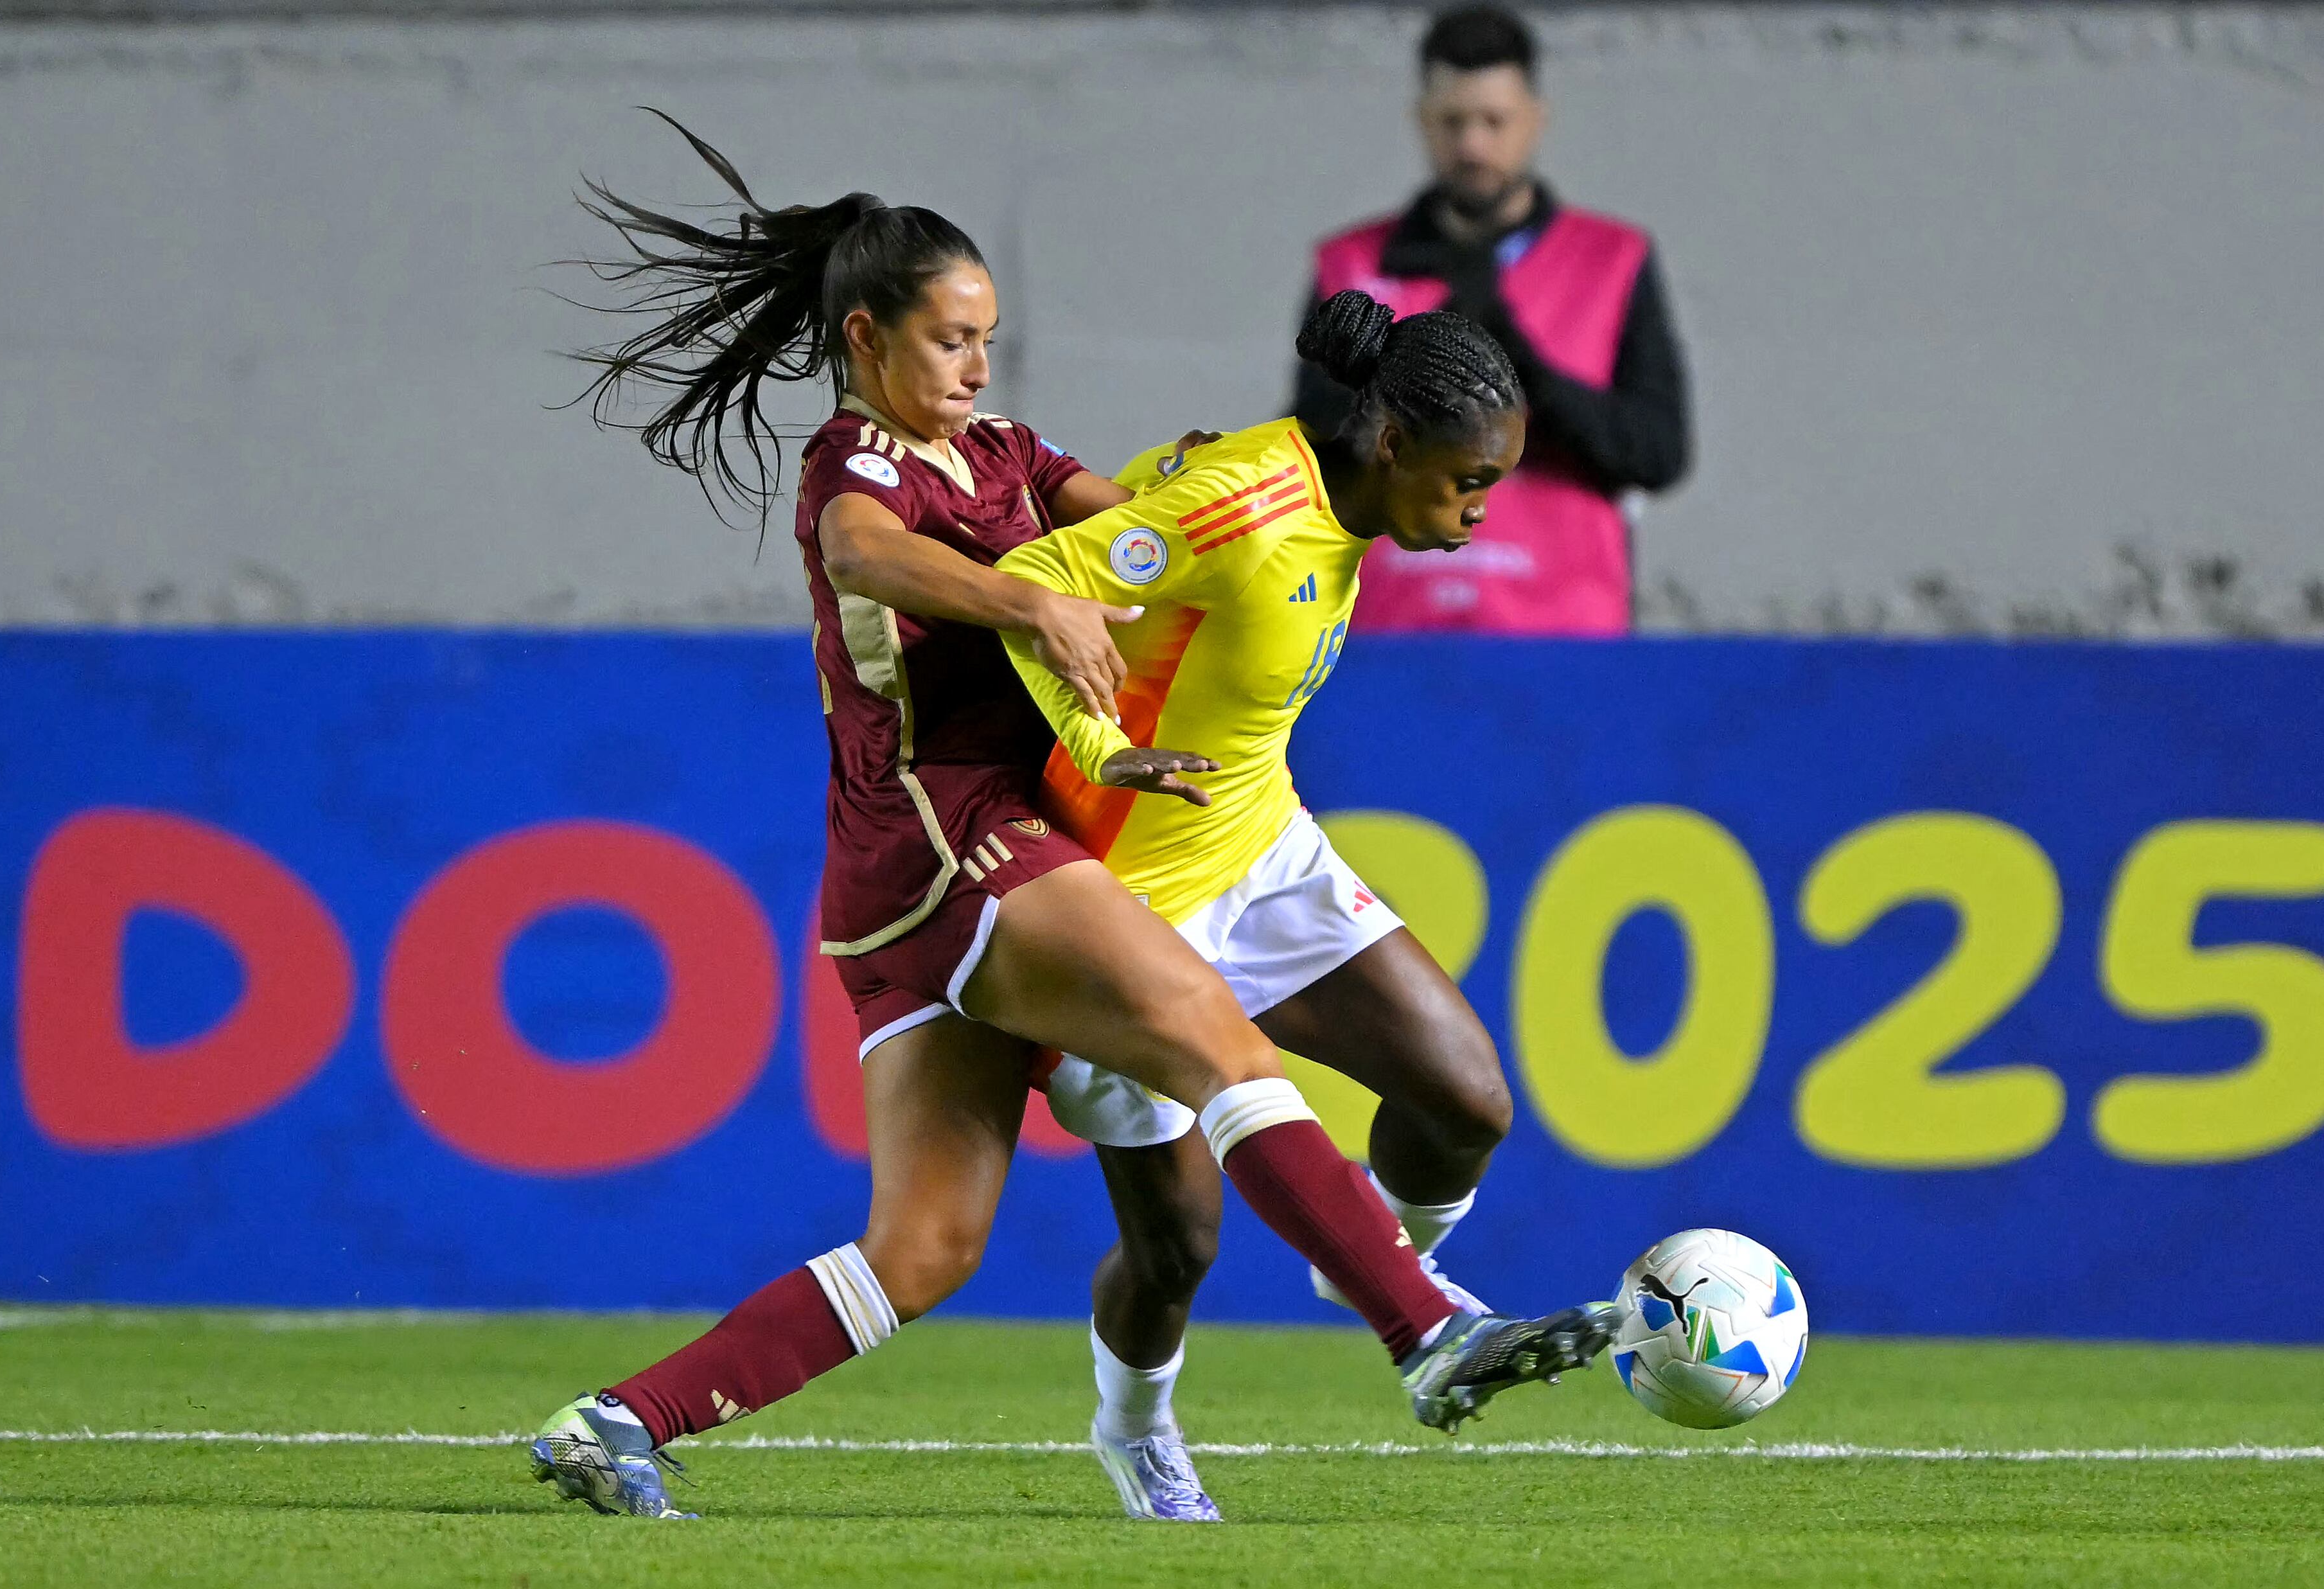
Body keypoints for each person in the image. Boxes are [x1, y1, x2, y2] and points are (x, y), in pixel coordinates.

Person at [526, 115, 1619, 1520]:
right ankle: (1428, 1330)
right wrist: (1032, 596)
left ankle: (618, 1420)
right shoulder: (856, 476)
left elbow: (1140, 530)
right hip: (955, 842)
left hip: (920, 888)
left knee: (924, 1247)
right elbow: (870, 555)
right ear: (866, 341)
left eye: (988, 339)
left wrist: (1205, 492)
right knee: (1210, 1033)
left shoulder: (1004, 453)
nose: (978, 367)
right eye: (950, 341)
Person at [995, 290, 1565, 1522]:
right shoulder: (1245, 504)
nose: (1480, 510)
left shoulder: (1341, 508)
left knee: (1467, 1098)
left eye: (1498, 485)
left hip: (1259, 849)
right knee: (1176, 1251)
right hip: (1128, 908)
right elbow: (1036, 582)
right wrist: (1098, 745)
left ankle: (1377, 1262)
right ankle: (1136, 1429)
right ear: (1393, 443)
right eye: (1471, 481)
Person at [1295, 4, 1692, 635]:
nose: (1472, 145)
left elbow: (1658, 452)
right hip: (1386, 631)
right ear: (1421, 122)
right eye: (1452, 122)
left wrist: (1526, 374)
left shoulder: (1611, 260)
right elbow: (1312, 448)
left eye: (1493, 121)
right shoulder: (1352, 263)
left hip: (1564, 634)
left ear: (1535, 120)